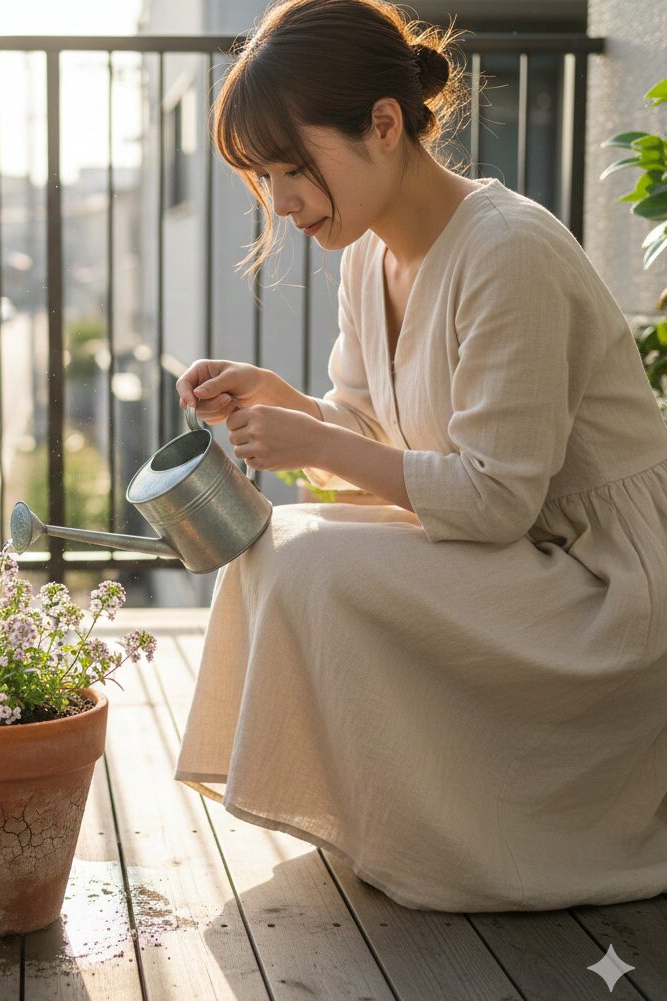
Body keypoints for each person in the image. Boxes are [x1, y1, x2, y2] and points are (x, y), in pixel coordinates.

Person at [172, 0, 667, 913]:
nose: (279, 201)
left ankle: (467, 834)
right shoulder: (370, 256)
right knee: (275, 541)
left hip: (611, 585)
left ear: (385, 125)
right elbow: (368, 437)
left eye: (291, 167)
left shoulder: (505, 249)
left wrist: (315, 438)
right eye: (262, 176)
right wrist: (288, 404)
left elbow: (494, 501)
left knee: (315, 561)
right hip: (528, 550)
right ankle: (388, 811)